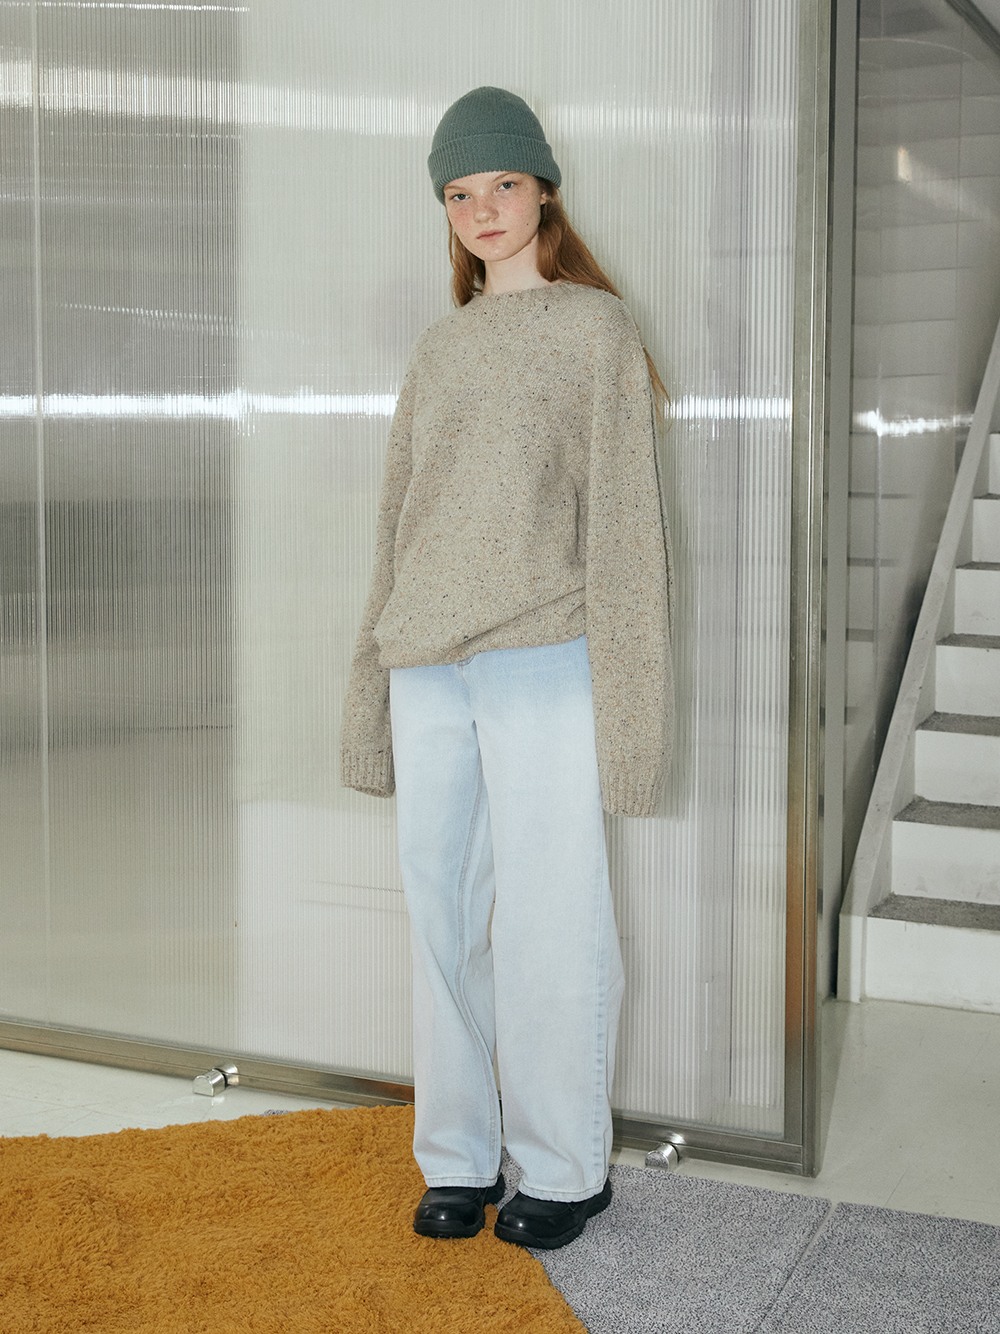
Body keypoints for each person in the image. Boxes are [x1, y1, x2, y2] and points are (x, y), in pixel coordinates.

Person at [340, 86, 673, 1251]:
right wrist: (368, 693)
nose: (482, 209)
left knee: (552, 912)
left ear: (543, 191)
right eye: (459, 192)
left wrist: (634, 723)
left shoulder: (595, 328)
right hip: (427, 663)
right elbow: (396, 529)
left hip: (544, 653)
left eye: (502, 184)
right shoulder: (440, 346)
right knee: (440, 911)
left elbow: (626, 536)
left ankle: (566, 1163)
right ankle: (458, 1154)